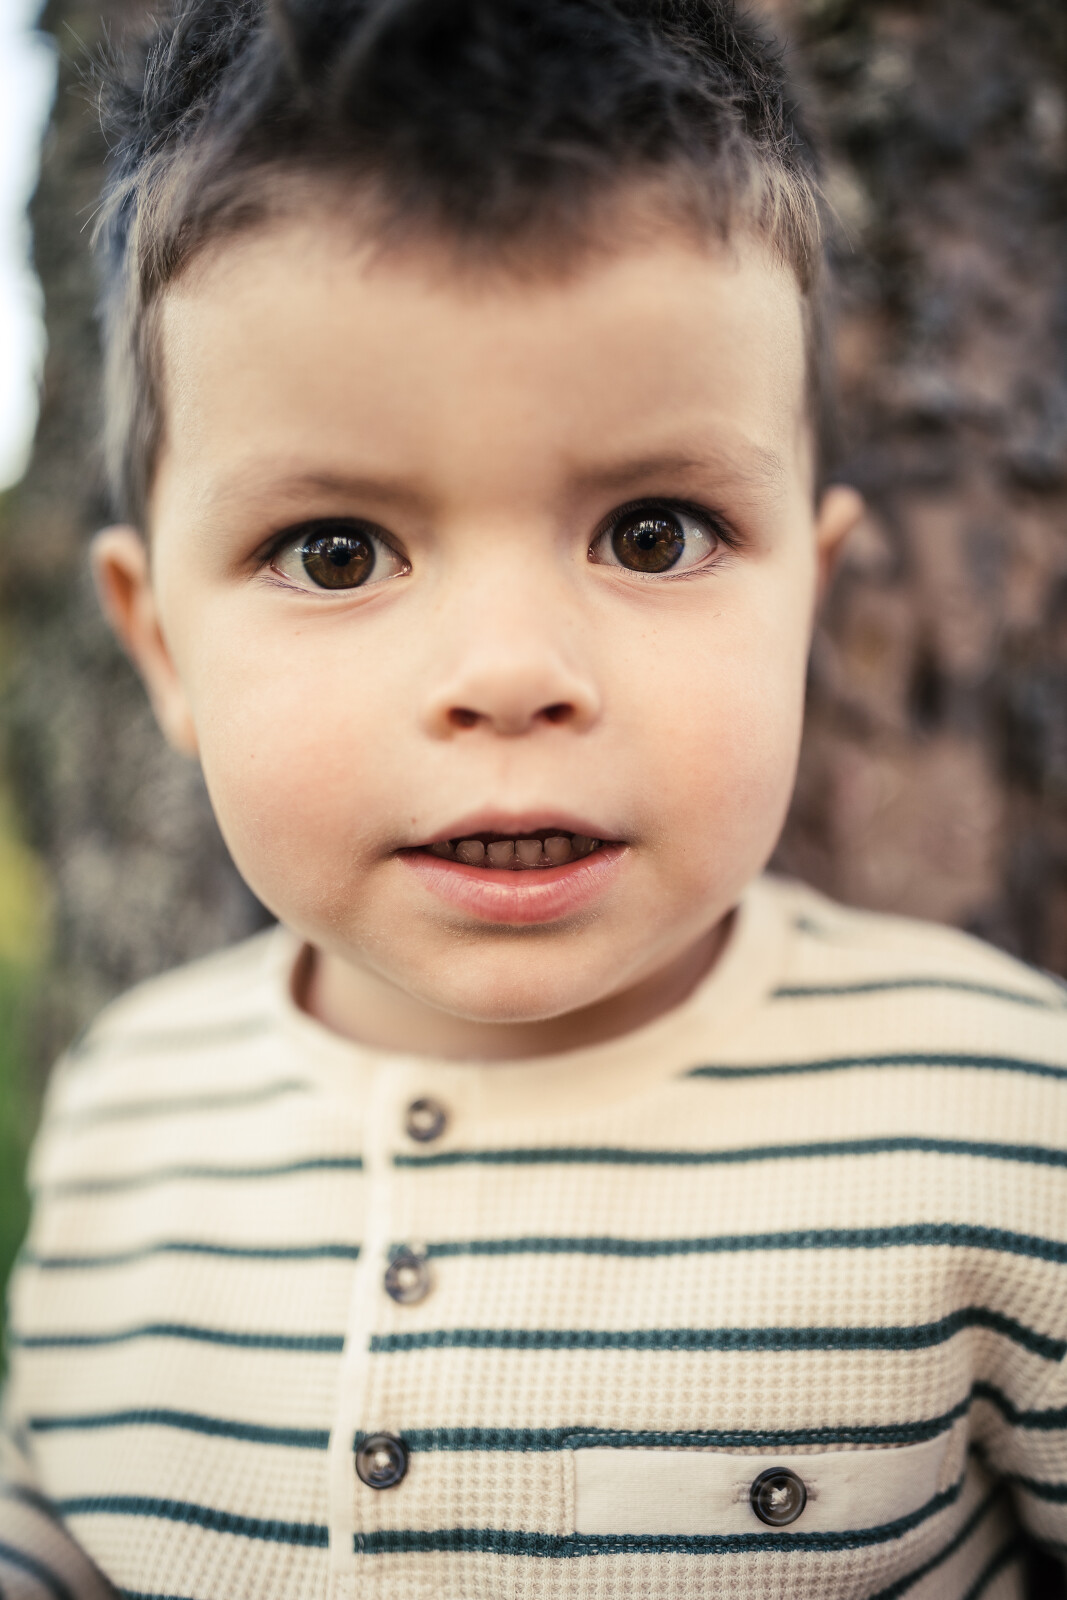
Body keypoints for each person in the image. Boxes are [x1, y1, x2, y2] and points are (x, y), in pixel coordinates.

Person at [2, 0, 1066, 1595]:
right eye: (336, 552)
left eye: (653, 533)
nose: (510, 674)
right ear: (162, 647)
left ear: (813, 596)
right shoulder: (128, 1116)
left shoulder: (1005, 1120)